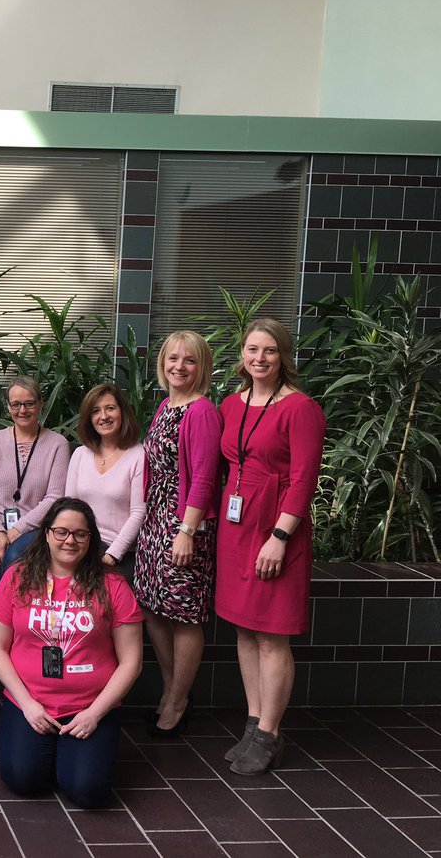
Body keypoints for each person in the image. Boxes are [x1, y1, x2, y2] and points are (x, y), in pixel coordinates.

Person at [216, 319, 325, 775]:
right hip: (236, 525)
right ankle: (253, 722)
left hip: (276, 526)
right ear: (242, 353)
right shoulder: (230, 403)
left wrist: (280, 538)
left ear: (284, 356)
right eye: (252, 349)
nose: (259, 358)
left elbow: (304, 480)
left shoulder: (301, 409)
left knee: (271, 635)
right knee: (244, 630)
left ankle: (270, 733)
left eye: (270, 351)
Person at [0, 498, 143, 808]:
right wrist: (28, 704)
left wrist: (95, 713)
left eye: (80, 534)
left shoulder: (112, 584)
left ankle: (71, 755)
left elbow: (132, 661)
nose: (70, 540)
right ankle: (52, 751)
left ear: (91, 539)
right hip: (30, 702)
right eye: (61, 532)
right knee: (24, 780)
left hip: (89, 707)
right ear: (45, 533)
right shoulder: (17, 577)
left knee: (88, 792)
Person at [132, 331, 222, 737]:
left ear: (201, 366)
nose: (179, 366)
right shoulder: (167, 405)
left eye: (189, 360)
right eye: (172, 358)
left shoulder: (201, 411)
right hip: (155, 521)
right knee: (152, 608)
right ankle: (172, 689)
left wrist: (186, 530)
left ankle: (179, 700)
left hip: (184, 522)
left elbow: (204, 476)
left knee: (184, 615)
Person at [0, 376, 70, 583]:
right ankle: (15, 611)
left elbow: (54, 497)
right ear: (8, 407)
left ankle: (1, 614)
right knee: (0, 560)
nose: (23, 410)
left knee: (13, 559)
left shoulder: (57, 444)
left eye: (29, 403)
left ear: (40, 405)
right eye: (16, 404)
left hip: (36, 527)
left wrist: (18, 529)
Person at [65, 383, 146, 584]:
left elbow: (138, 512)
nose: (104, 416)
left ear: (122, 412)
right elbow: (69, 506)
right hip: (81, 546)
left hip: (120, 551)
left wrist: (111, 555)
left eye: (110, 408)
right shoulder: (80, 454)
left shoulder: (138, 455)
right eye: (96, 411)